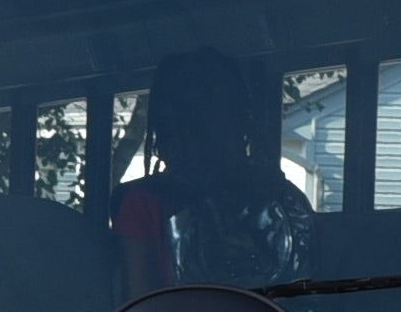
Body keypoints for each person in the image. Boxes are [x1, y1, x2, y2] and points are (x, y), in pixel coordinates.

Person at [107, 47, 319, 290]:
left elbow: (139, 309)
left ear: (165, 130)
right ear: (242, 123)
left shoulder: (144, 203)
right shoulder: (287, 198)